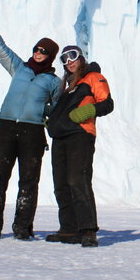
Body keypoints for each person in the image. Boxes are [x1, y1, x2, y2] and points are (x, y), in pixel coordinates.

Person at [0, 3, 62, 240]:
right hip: (7, 127)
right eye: (36, 49)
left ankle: (22, 227)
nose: (38, 53)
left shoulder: (53, 82)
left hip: (33, 132)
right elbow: (0, 48)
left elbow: (58, 108)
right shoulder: (19, 68)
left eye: (43, 51)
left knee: (28, 182)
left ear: (50, 56)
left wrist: (45, 109)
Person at [45, 45, 113, 248]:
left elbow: (107, 103)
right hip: (61, 137)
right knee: (61, 183)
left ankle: (87, 230)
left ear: (81, 57)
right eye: (64, 59)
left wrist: (87, 112)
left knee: (78, 180)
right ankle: (69, 229)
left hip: (80, 135)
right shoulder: (69, 86)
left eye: (72, 56)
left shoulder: (93, 77)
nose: (69, 62)